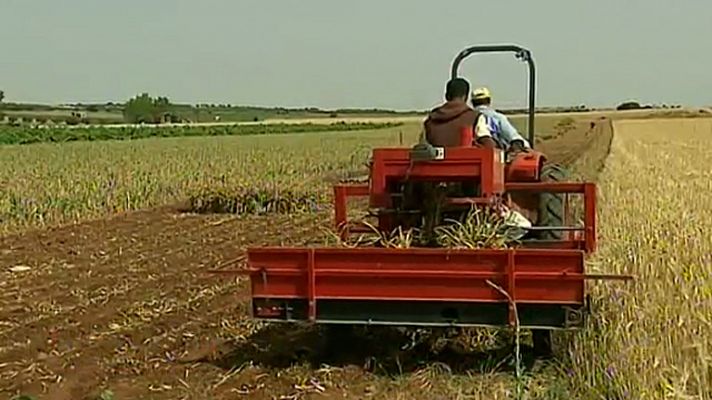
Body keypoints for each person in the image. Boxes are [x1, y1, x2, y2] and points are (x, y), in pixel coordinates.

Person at [470, 87, 530, 154]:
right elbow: (513, 136)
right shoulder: (498, 118)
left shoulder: (466, 118)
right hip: (496, 156)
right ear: (489, 101)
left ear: (472, 103)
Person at [423, 78, 478, 147]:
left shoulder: (430, 120)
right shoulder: (476, 117)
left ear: (446, 96)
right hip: (467, 157)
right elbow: (489, 146)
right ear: (466, 97)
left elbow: (423, 146)